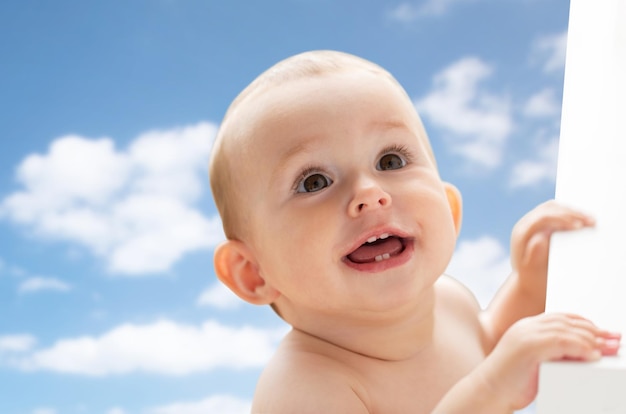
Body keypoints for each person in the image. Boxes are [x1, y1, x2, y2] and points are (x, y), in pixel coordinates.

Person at [208, 50, 621, 413]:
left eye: (390, 161)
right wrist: (492, 390)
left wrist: (531, 283)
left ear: (450, 211)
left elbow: (490, 348)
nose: (370, 194)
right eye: (314, 182)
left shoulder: (449, 300)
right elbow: (496, 377)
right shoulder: (305, 389)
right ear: (252, 272)